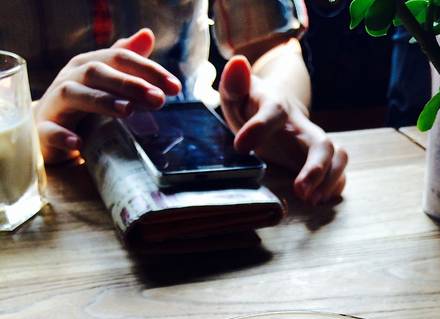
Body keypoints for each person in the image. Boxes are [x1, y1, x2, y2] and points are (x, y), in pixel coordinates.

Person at [3, 1, 347, 205]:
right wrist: (29, 124)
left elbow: (272, 47)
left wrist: (280, 102)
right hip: (42, 189)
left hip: (201, 155)